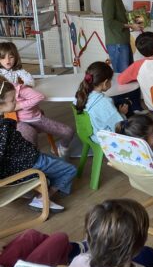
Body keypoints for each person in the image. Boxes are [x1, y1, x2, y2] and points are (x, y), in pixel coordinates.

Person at [0, 76, 76, 212]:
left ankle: (40, 186)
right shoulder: (4, 128)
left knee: (58, 162)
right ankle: (41, 198)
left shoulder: (5, 124)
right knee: (70, 170)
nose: (16, 102)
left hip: (26, 159)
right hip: (29, 162)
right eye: (12, 100)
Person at [101, 0, 143, 112]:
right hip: (117, 43)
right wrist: (130, 25)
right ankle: (123, 109)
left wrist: (132, 22)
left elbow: (117, 19)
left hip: (122, 41)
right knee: (123, 77)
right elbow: (109, 21)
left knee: (130, 75)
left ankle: (134, 107)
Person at [14, 80, 74, 158]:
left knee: (68, 132)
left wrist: (19, 106)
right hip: (19, 122)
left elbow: (39, 96)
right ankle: (34, 158)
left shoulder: (19, 89)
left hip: (37, 119)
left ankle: (62, 148)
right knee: (30, 135)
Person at [74, 61, 126, 142]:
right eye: (110, 80)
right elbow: (118, 126)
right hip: (104, 140)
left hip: (90, 134)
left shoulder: (80, 96)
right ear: (105, 83)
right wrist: (122, 114)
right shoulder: (105, 102)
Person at [0, 229, 88, 267]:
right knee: (60, 238)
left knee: (32, 235)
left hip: (4, 265)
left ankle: (65, 252)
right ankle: (67, 253)